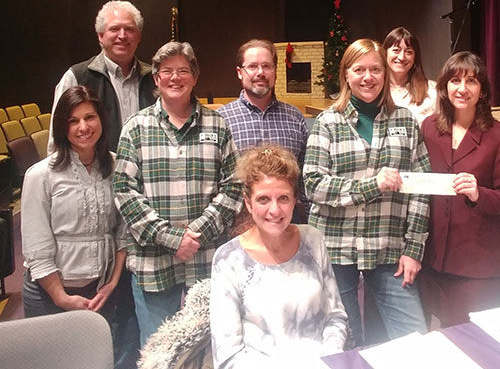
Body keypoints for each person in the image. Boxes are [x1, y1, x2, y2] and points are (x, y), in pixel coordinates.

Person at [113, 41, 242, 346]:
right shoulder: (136, 127)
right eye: (167, 71)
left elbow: (234, 186)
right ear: (156, 78)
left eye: (183, 71)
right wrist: (172, 238)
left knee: (214, 346)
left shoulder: (217, 124)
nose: (175, 78)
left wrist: (194, 234)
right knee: (160, 351)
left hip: (207, 258)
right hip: (153, 262)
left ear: (195, 77)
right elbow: (124, 191)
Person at [303, 39, 430, 347]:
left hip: (388, 245)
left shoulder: (405, 121)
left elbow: (421, 188)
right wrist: (372, 185)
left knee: (416, 338)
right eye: (359, 69)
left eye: (375, 69)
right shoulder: (327, 122)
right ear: (346, 74)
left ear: (385, 74)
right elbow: (313, 184)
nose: (368, 77)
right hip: (335, 247)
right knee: (344, 341)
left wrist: (414, 248)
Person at [211, 146, 348, 369]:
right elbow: (228, 356)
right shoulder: (229, 259)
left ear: (295, 200)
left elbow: (335, 316)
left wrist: (329, 359)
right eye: (263, 199)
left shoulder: (312, 240)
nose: (275, 210)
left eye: (283, 198)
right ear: (248, 202)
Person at [22, 86, 128, 364]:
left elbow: (122, 232)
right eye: (73, 120)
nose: (83, 127)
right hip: (50, 294)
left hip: (101, 292)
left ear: (101, 121)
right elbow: (37, 246)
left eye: (90, 117)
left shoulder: (117, 166)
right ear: (62, 127)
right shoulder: (41, 175)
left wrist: (112, 283)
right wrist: (60, 297)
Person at [419, 52, 500, 327]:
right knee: (434, 339)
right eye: (455, 80)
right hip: (432, 259)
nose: (462, 89)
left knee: (473, 344)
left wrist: (480, 194)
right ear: (444, 87)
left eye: (471, 81)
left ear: (483, 90)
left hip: (477, 264)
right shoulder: (429, 128)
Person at [218, 39, 309, 223]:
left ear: (275, 71)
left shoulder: (295, 118)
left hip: (288, 223)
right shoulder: (221, 120)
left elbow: (305, 177)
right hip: (237, 225)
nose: (260, 73)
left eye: (267, 66)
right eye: (252, 66)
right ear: (239, 72)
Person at [49, 0, 156, 153]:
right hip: (97, 173)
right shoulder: (77, 77)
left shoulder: (154, 78)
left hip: (146, 172)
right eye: (114, 29)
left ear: (138, 36)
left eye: (129, 29)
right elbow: (57, 138)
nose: (122, 35)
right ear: (100, 36)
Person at [382, 27, 436, 125]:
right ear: (385, 53)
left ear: (415, 58)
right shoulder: (375, 90)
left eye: (408, 52)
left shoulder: (432, 91)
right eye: (396, 50)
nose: (402, 57)